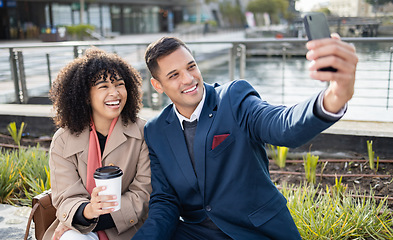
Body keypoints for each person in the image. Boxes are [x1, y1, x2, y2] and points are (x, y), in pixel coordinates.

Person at [132, 35, 358, 240]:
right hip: (198, 233)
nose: (189, 79)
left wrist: (334, 96)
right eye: (174, 75)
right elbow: (165, 200)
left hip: (256, 230)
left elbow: (282, 125)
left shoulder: (233, 98)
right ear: (158, 85)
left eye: (191, 67)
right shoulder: (156, 130)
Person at [43, 47, 151, 240]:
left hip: (127, 229)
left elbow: (142, 194)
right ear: (85, 95)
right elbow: (66, 197)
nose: (115, 93)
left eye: (120, 84)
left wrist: (89, 219)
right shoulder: (62, 140)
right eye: (103, 87)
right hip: (81, 226)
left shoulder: (144, 132)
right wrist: (86, 212)